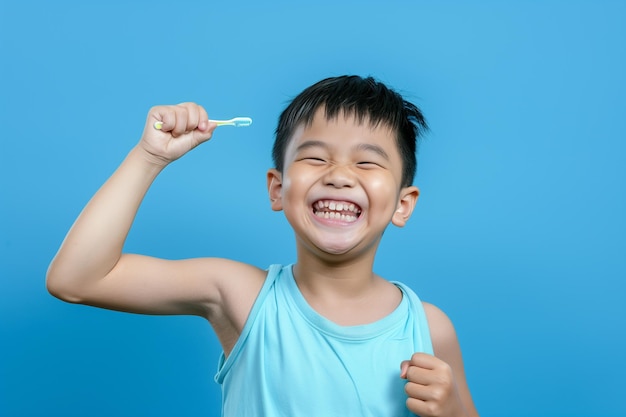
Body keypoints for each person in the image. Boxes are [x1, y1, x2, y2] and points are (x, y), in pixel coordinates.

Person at [47, 75, 479, 417]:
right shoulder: (241, 296)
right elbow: (77, 279)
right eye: (315, 157)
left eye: (367, 162)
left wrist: (455, 413)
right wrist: (149, 156)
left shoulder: (429, 328)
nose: (339, 174)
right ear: (277, 189)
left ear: (403, 205)